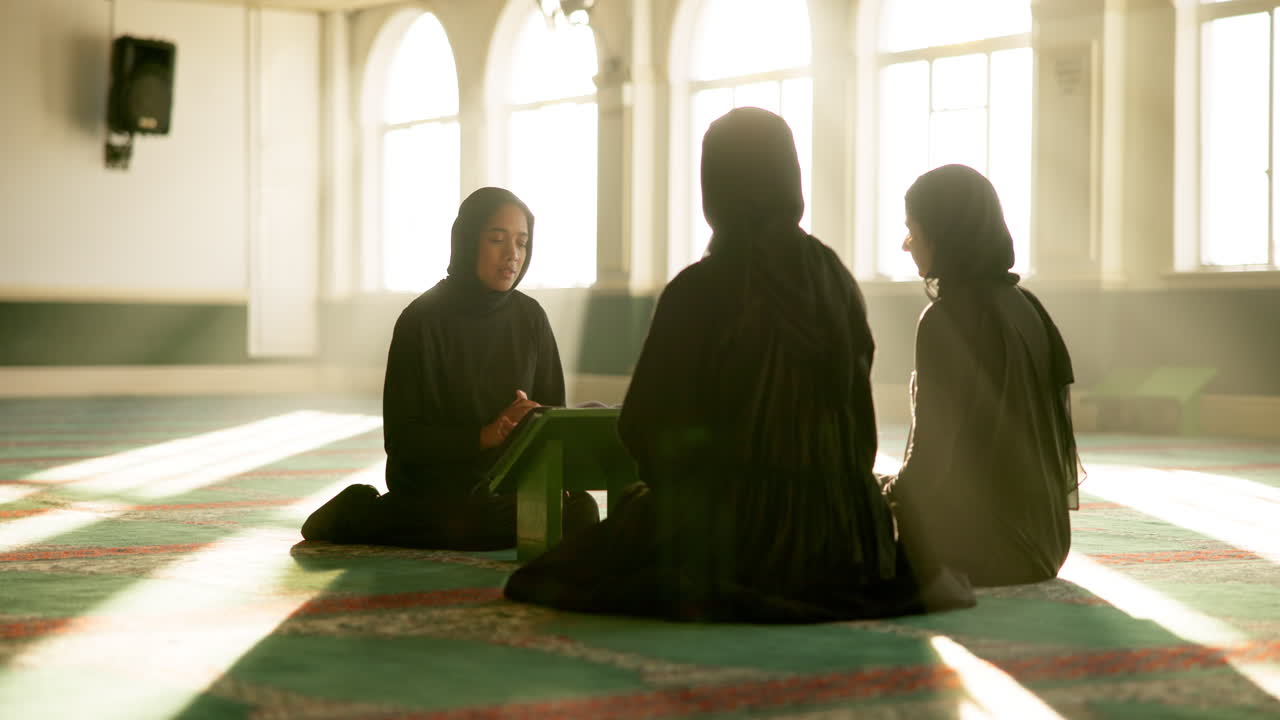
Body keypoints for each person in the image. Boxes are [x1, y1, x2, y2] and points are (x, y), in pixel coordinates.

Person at [503, 108, 974, 622]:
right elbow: (857, 424)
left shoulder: (698, 289)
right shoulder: (834, 278)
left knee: (547, 576)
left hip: (732, 532)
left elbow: (644, 429)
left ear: (714, 185)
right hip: (843, 531)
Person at [301, 187, 599, 549]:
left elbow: (552, 413)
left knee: (581, 510)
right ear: (467, 241)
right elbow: (403, 442)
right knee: (465, 522)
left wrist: (537, 424)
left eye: (522, 243)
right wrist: (485, 435)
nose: (512, 255)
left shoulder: (530, 318)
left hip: (506, 484)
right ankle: (358, 511)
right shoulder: (421, 320)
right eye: (496, 239)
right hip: (439, 486)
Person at [884, 164, 1082, 586]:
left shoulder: (945, 319)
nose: (907, 243)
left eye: (912, 229)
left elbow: (931, 459)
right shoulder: (1027, 305)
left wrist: (883, 499)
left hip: (982, 549)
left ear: (942, 231)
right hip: (1047, 544)